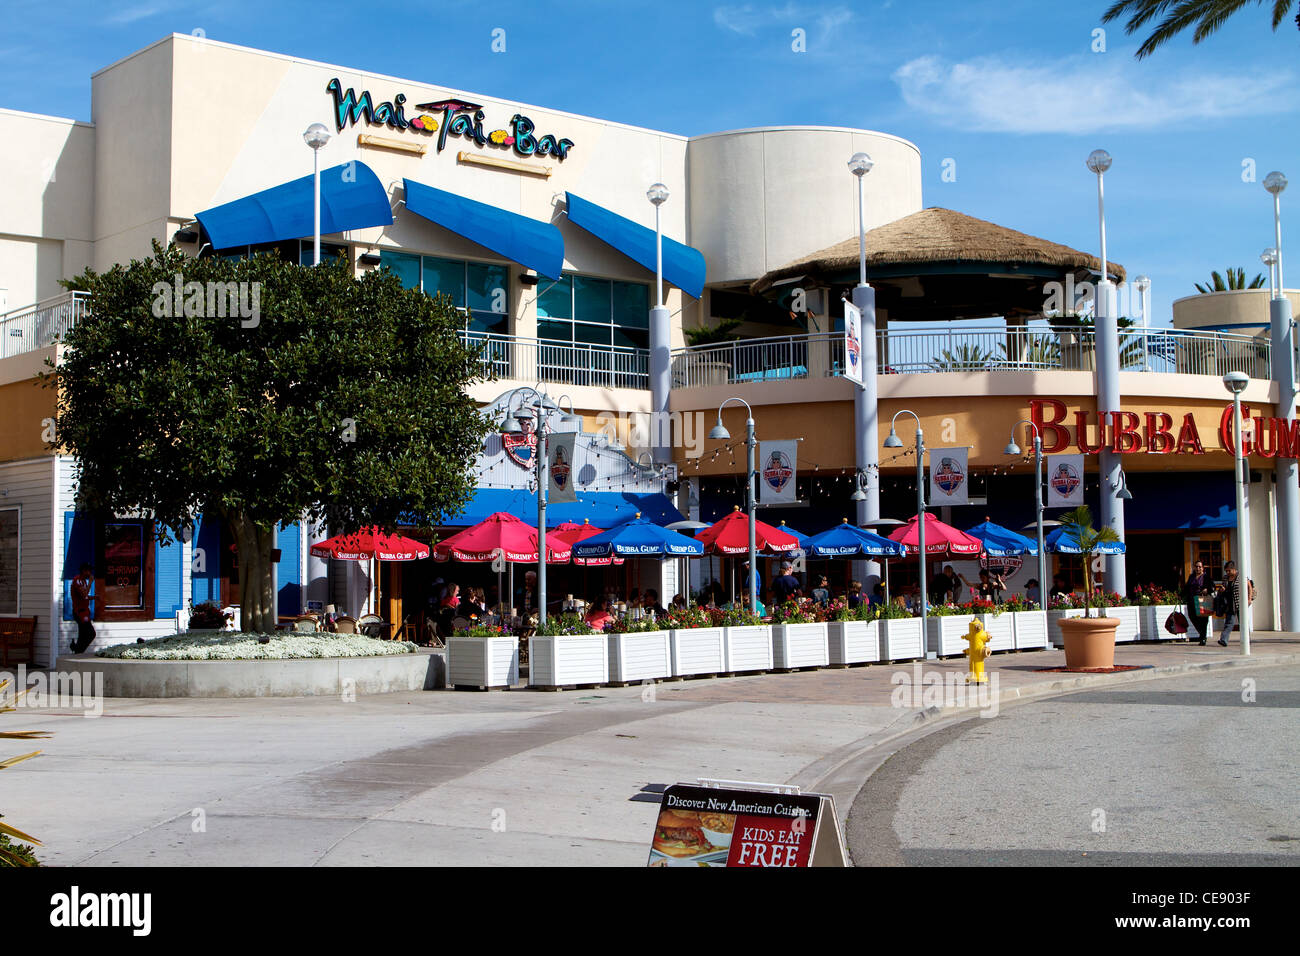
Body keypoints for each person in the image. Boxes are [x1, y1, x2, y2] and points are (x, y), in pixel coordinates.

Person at [1217, 561, 1255, 647]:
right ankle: (1223, 640)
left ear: (1234, 569)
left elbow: (1249, 586)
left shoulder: (1241, 576)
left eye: (1229, 570)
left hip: (1240, 603)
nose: (1227, 573)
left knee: (1243, 622)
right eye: (1226, 571)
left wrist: (1249, 598)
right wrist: (1222, 589)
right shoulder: (1225, 578)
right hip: (1230, 603)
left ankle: (1246, 639)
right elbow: (1223, 588)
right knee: (1229, 622)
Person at [1182, 560, 1212, 645]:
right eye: (1196, 566)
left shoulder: (1206, 577)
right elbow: (1187, 587)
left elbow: (1211, 587)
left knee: (1203, 620)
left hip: (1202, 600)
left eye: (1200, 567)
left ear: (1202, 568)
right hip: (1192, 600)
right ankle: (1202, 634)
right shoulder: (1192, 576)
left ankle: (1202, 638)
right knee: (1192, 617)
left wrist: (1207, 589)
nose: (1198, 568)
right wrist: (1181, 595)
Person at [70, 563, 95, 654]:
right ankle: (78, 650)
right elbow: (84, 594)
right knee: (90, 633)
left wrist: (95, 597)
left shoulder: (84, 581)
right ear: (84, 571)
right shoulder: (77, 580)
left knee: (83, 633)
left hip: (84, 611)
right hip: (79, 612)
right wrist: (91, 583)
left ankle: (77, 649)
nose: (90, 573)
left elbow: (84, 597)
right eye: (88, 571)